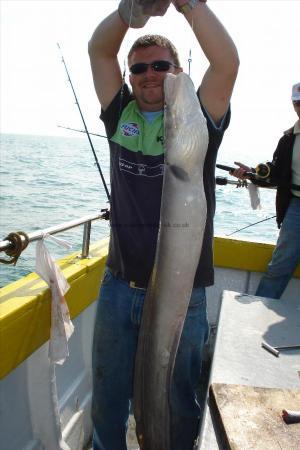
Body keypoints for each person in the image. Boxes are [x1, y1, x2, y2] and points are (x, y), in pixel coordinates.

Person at [88, 1, 239, 449]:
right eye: (139, 69)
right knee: (108, 396)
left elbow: (226, 63)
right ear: (130, 78)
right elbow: (99, 51)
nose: (149, 74)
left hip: (185, 293)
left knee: (177, 398)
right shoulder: (120, 115)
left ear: (176, 71)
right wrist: (127, 12)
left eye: (160, 66)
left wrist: (191, 6)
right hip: (119, 286)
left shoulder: (199, 120)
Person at [232, 82, 300, 300]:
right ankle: (259, 313)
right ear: (293, 105)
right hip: (296, 208)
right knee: (279, 266)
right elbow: (276, 172)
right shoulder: (288, 139)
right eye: (298, 103)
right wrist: (252, 173)